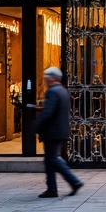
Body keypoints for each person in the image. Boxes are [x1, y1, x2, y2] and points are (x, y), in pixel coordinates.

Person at [33, 66, 83, 199]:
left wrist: (37, 126)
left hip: (53, 131)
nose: (45, 80)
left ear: (52, 78)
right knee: (50, 159)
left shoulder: (52, 92)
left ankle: (72, 182)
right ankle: (53, 188)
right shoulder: (63, 91)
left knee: (52, 159)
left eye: (47, 77)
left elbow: (48, 112)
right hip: (60, 129)